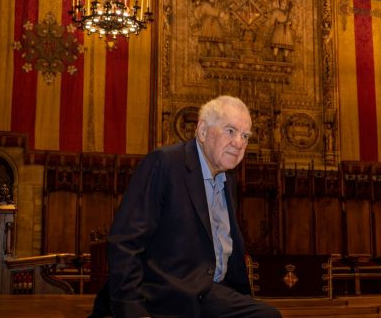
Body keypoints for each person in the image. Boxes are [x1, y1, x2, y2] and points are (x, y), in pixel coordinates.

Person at [98, 96, 282, 317]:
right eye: (230, 131)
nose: (239, 143)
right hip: (163, 296)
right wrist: (132, 310)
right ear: (203, 131)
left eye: (245, 136)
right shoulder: (164, 163)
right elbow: (125, 243)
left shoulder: (227, 179)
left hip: (212, 293)